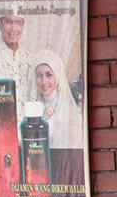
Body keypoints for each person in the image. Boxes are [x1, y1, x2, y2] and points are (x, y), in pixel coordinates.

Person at [32, 51, 84, 186]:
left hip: (61, 176)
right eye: (39, 75)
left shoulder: (67, 110)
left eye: (49, 75)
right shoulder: (33, 107)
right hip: (36, 174)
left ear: (58, 75)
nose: (43, 81)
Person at [0, 13, 34, 102]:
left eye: (18, 23)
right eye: (8, 22)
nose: (13, 28)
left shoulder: (30, 59)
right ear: (0, 24)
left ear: (23, 26)